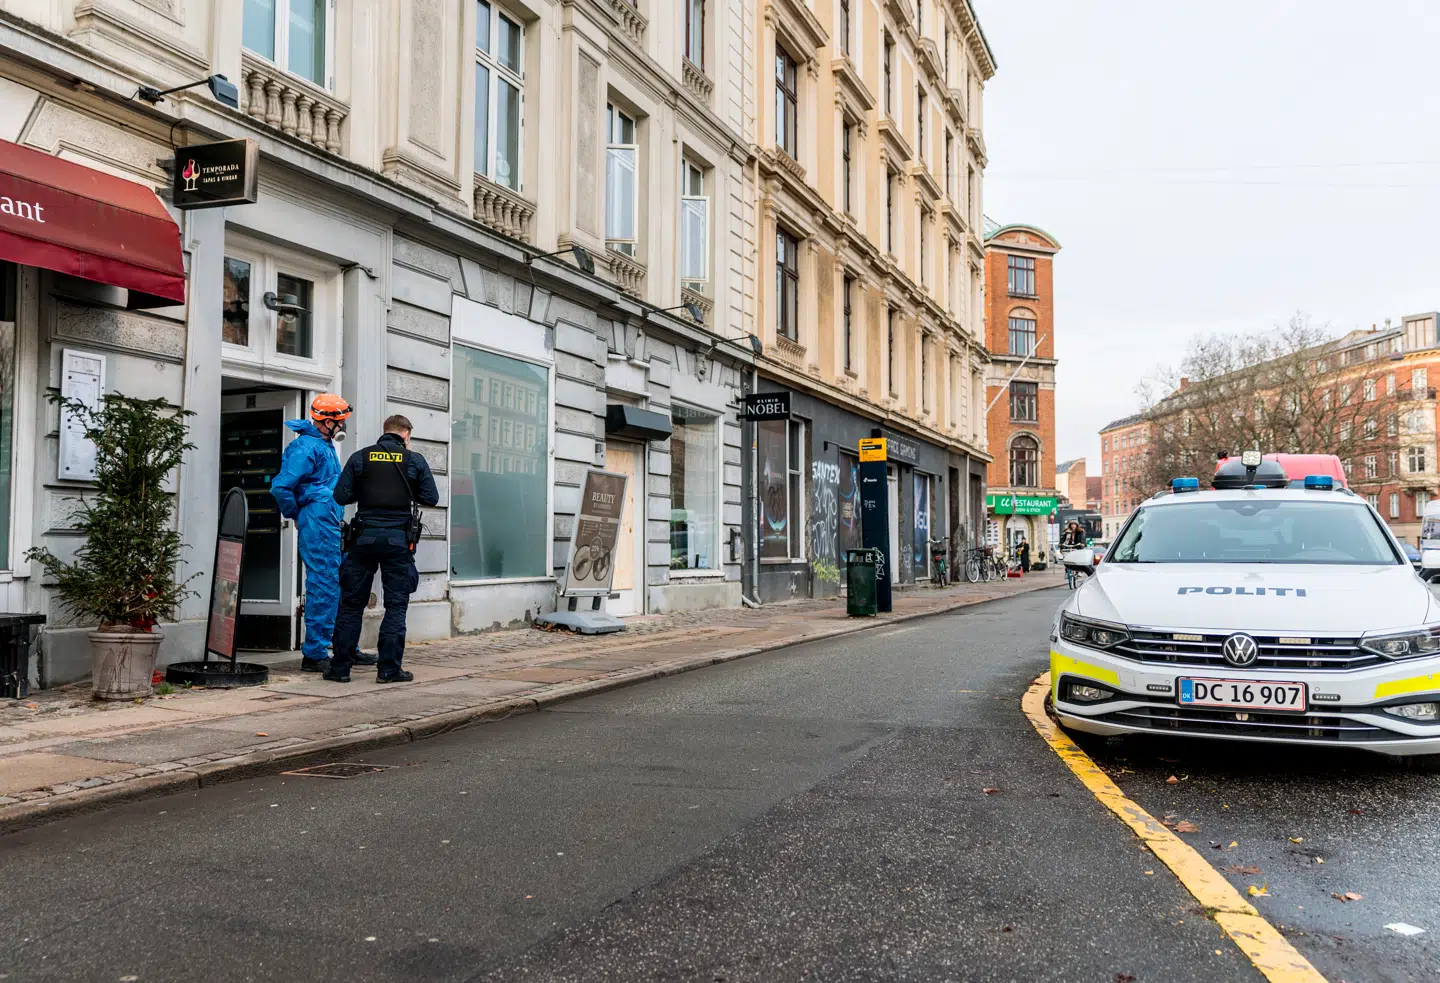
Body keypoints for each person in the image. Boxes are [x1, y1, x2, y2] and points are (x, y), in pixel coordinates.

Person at [327, 414, 439, 683]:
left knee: (352, 605)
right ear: (406, 435)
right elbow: (431, 498)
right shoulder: (414, 460)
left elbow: (341, 496)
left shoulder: (361, 457)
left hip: (363, 539)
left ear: (385, 431)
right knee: (396, 606)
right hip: (398, 541)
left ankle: (340, 669)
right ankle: (388, 670)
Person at [270, 394, 370, 673]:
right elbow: (281, 487)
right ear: (327, 422)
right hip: (318, 521)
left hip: (327, 520)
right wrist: (299, 514)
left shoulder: (322, 445)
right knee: (324, 585)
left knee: (339, 583)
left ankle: (345, 647)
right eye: (341, 423)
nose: (343, 429)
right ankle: (315, 652)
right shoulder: (305, 448)